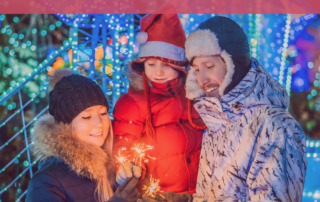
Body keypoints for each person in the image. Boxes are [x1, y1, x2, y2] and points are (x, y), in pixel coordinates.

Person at [181, 16, 307, 201]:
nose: (202, 79)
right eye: (197, 70)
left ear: (234, 64)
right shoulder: (216, 122)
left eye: (210, 66)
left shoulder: (276, 126)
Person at [112, 4, 205, 201]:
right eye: (151, 64)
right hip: (161, 195)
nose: (159, 72)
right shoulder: (133, 102)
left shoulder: (194, 93)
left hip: (200, 191)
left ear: (179, 64)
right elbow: (125, 140)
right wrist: (126, 164)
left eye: (166, 65)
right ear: (142, 63)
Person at [25, 69, 141, 202]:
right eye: (86, 116)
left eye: (103, 114)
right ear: (66, 125)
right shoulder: (47, 182)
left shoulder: (116, 167)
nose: (99, 123)